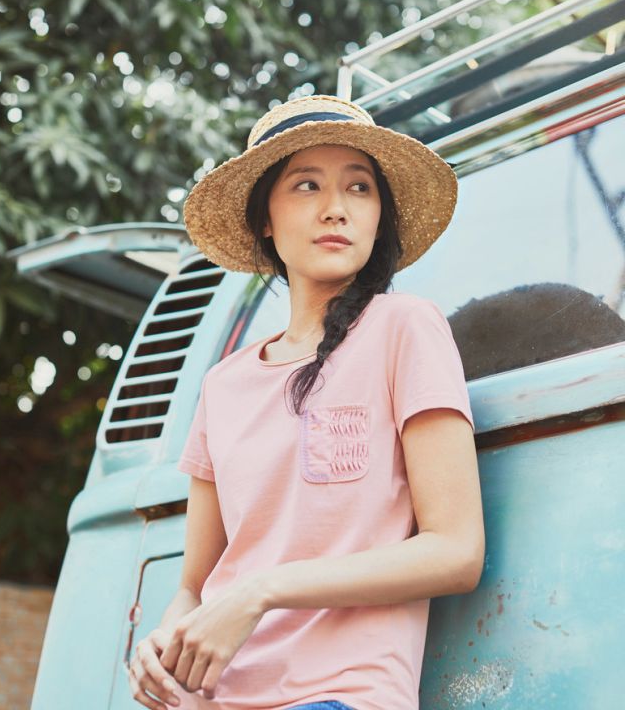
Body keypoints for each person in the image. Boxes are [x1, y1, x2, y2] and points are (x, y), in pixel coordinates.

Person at [128, 93, 485, 710]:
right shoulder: (223, 384)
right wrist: (160, 644)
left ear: (380, 217)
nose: (335, 208)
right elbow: (194, 586)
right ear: (264, 220)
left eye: (359, 188)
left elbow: (456, 551)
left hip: (338, 694)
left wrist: (261, 592)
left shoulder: (404, 327)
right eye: (306, 185)